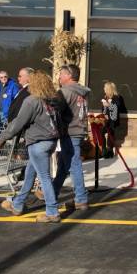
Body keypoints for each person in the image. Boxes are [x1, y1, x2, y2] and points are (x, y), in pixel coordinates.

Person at [0, 71, 63, 223]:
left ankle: (52, 211)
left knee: (44, 178)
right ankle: (18, 205)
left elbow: (18, 123)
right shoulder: (51, 101)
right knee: (30, 175)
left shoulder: (32, 101)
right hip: (50, 141)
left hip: (38, 143)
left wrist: (1, 139)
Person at [50, 64, 90, 210]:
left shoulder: (65, 91)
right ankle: (52, 192)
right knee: (63, 165)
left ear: (69, 76)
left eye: (61, 74)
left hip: (70, 132)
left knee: (74, 165)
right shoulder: (81, 92)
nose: (59, 77)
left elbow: (53, 109)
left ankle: (81, 198)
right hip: (78, 130)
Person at [101, 81, 126, 159]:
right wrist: (104, 114)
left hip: (113, 120)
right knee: (102, 132)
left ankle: (110, 151)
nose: (104, 89)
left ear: (109, 89)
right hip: (106, 119)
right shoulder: (105, 97)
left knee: (110, 135)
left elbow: (117, 107)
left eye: (105, 88)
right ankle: (104, 149)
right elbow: (103, 109)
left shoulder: (117, 97)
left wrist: (108, 105)